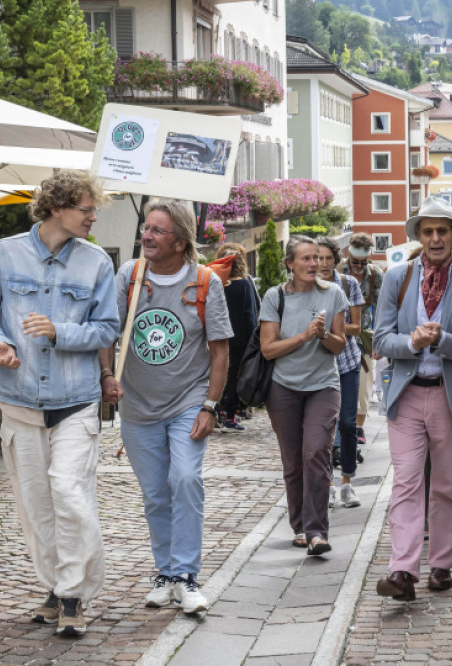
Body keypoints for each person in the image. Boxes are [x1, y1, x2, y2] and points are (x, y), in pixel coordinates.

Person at [0, 171, 120, 636]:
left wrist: (61, 331)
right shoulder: (4, 253)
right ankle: (55, 588)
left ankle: (73, 594)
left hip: (76, 401)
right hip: (19, 401)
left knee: (70, 494)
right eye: (86, 209)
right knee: (36, 505)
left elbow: (107, 329)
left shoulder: (96, 263)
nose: (94, 217)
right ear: (57, 208)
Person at [100, 200, 232, 615]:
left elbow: (219, 351)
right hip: (138, 405)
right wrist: (107, 374)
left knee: (186, 479)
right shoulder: (131, 276)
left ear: (180, 240)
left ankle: (187, 576)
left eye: (157, 230)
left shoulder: (205, 282)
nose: (147, 236)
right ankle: (166, 573)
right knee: (156, 493)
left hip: (188, 400)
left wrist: (210, 405)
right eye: (146, 228)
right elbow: (108, 331)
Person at [373, 197, 452, 602]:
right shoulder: (396, 278)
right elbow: (380, 339)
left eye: (443, 230)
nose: (436, 238)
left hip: (449, 397)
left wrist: (442, 340)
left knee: (447, 486)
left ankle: (441, 563)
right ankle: (403, 571)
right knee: (406, 482)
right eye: (428, 231)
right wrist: (410, 342)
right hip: (406, 395)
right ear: (418, 237)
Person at [260, 236, 348, 557]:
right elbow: (268, 349)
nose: (315, 264)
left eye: (317, 258)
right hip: (283, 387)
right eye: (307, 259)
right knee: (294, 461)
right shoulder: (274, 297)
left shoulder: (334, 293)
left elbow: (340, 345)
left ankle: (316, 532)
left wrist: (324, 335)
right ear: (290, 264)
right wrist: (304, 335)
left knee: (316, 453)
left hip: (324, 385)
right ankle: (299, 526)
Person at [316, 237, 365, 508]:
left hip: (346, 363)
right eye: (318, 258)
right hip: (320, 365)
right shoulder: (308, 285)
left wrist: (330, 329)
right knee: (323, 427)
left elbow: (356, 327)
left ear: (336, 260)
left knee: (347, 423)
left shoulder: (348, 284)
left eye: (327, 258)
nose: (323, 264)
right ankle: (329, 484)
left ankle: (348, 482)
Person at [340, 232, 385, 449]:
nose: (358, 266)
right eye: (355, 262)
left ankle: (358, 426)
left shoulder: (376, 275)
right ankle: (341, 424)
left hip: (364, 335)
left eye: (363, 262)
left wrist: (380, 338)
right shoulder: (337, 271)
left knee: (365, 385)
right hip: (338, 332)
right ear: (349, 255)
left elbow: (384, 309)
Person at [215, 242, 258, 432]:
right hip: (240, 338)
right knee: (234, 376)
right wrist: (255, 339)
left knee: (218, 374)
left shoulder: (216, 282)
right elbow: (249, 314)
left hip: (217, 337)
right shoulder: (243, 283)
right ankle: (228, 414)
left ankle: (216, 409)